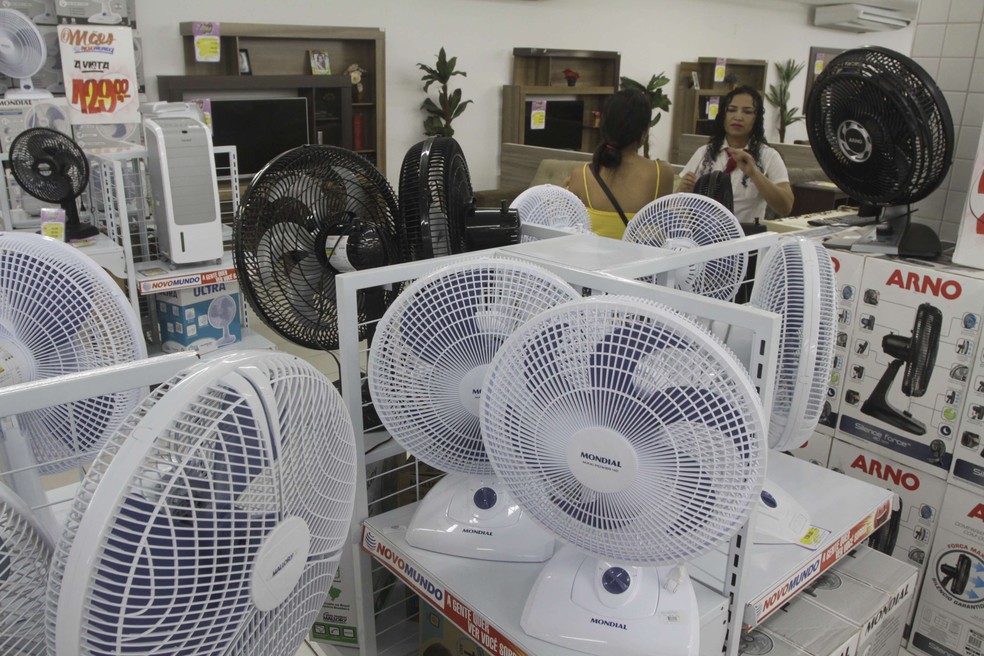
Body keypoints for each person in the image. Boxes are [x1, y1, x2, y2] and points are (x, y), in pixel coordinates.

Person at [566, 89, 674, 239]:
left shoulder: (580, 175)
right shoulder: (661, 173)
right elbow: (662, 226)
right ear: (644, 132)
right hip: (640, 261)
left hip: (587, 262)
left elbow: (568, 229)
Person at [679, 85, 794, 225]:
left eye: (747, 112)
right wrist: (683, 189)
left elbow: (785, 207)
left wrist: (754, 173)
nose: (738, 117)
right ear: (723, 115)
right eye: (732, 110)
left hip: (746, 239)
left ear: (756, 118)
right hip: (702, 236)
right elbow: (675, 202)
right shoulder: (704, 152)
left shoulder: (769, 156)